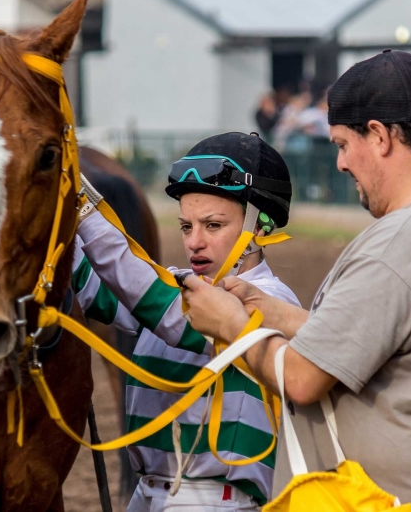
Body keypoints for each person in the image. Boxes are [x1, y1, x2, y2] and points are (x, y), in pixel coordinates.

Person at [181, 50, 411, 511]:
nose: (340, 164)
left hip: (382, 500)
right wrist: (275, 312)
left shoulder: (400, 243)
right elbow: (380, 337)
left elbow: (300, 379)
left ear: (379, 136)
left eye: (340, 144)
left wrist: (232, 325)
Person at [74, 132, 300, 510]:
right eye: (185, 226)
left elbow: (154, 301)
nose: (194, 242)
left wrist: (83, 210)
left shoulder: (273, 301)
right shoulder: (176, 283)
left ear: (259, 227)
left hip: (215, 499)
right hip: (147, 494)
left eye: (212, 226)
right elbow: (95, 293)